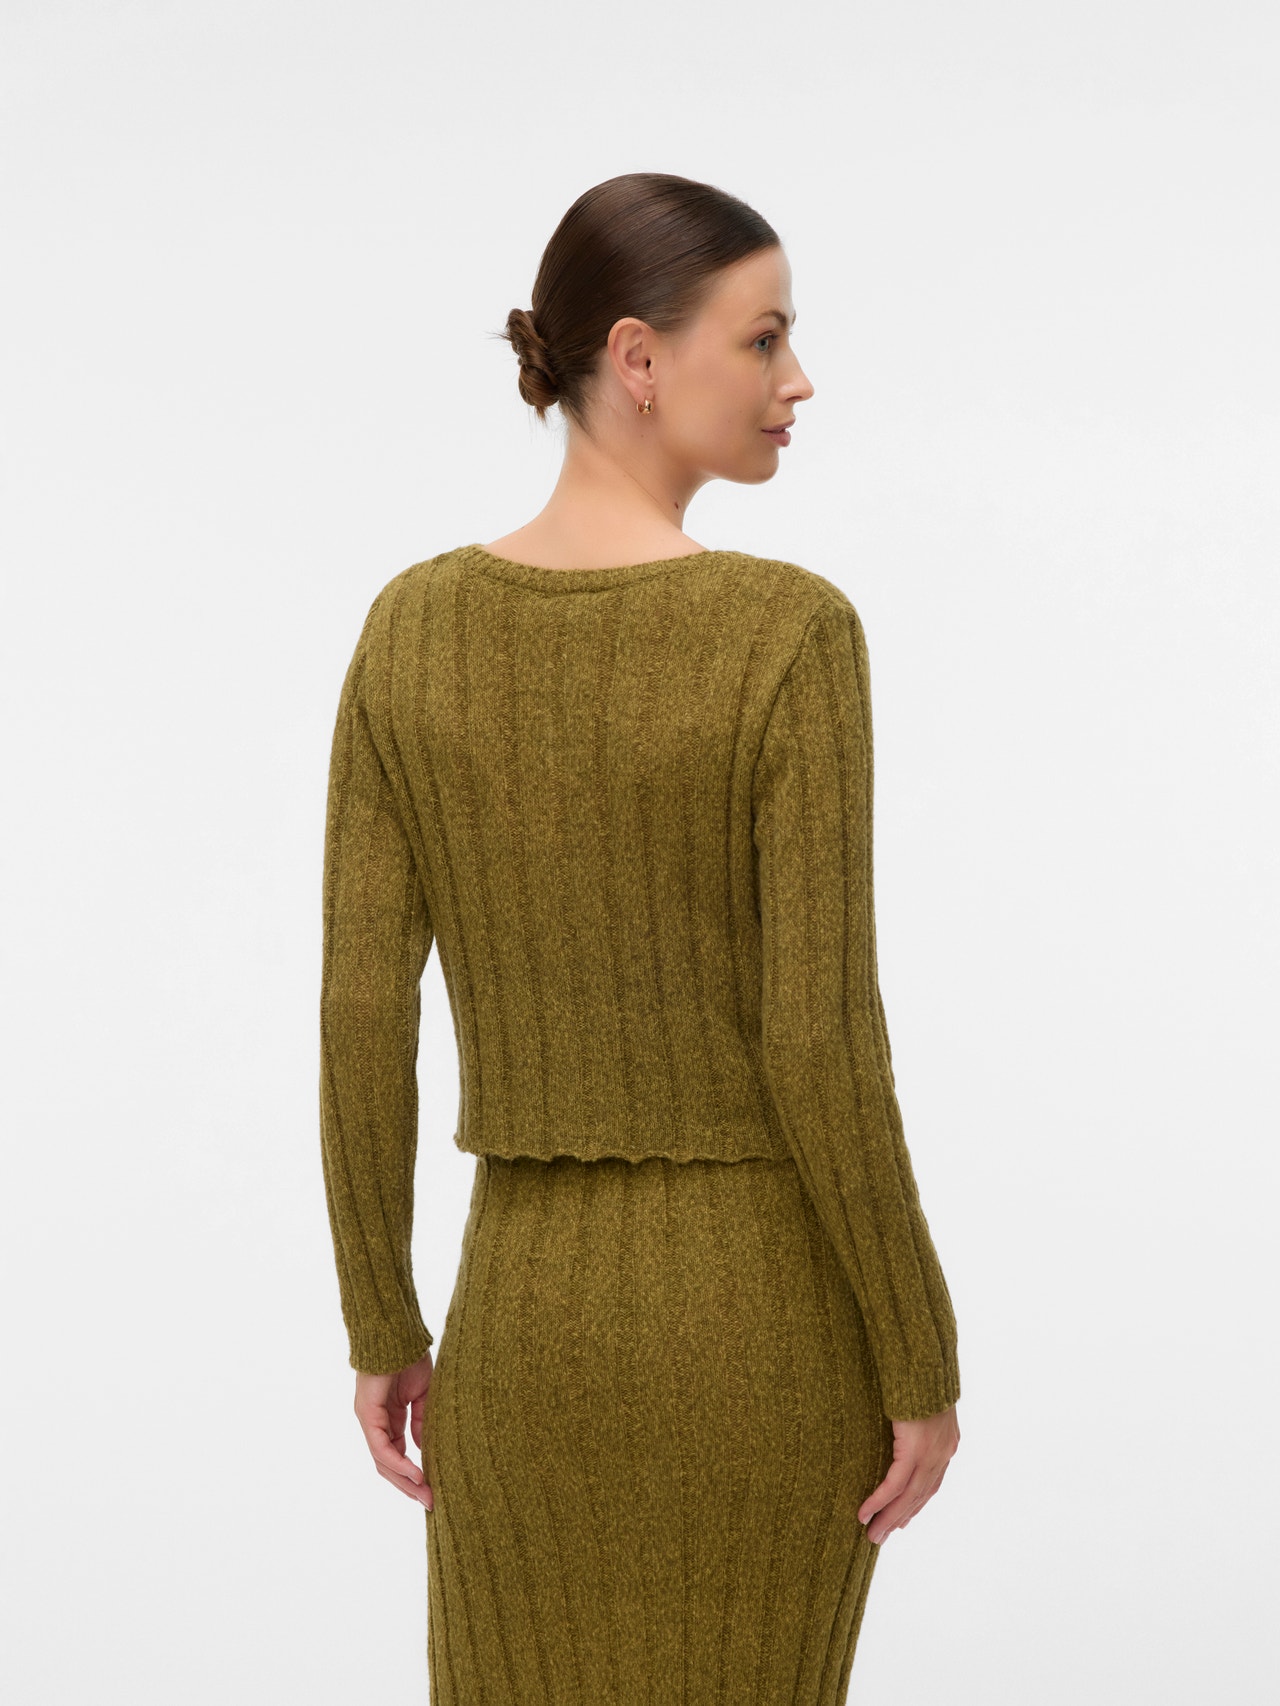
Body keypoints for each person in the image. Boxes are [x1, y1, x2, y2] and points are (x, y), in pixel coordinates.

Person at [318, 170, 962, 1704]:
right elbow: (822, 1036)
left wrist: (381, 1319)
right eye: (765, 338)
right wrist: (918, 1353)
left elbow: (359, 1009)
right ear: (638, 355)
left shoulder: (410, 631)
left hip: (520, 1336)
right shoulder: (789, 634)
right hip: (766, 1336)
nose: (798, 381)